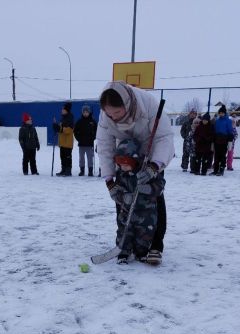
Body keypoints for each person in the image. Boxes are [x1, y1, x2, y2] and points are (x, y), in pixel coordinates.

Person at [96, 81, 174, 266]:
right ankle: (125, 243)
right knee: (123, 199)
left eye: (117, 112)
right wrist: (110, 182)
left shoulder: (149, 105)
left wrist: (154, 166)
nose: (113, 117)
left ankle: (155, 245)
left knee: (154, 199)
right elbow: (105, 146)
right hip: (125, 156)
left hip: (150, 154)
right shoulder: (105, 115)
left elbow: (164, 137)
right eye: (109, 113)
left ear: (127, 104)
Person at [107, 139, 164, 264]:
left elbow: (160, 185)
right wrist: (123, 197)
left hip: (147, 212)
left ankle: (141, 252)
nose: (123, 167)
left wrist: (149, 189)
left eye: (126, 163)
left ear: (135, 160)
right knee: (124, 232)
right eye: (120, 164)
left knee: (144, 233)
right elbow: (117, 192)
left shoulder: (146, 172)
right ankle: (123, 252)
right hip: (127, 211)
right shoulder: (122, 174)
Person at [74, 105, 97, 176]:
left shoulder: (93, 121)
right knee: (81, 158)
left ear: (89, 112)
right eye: (84, 112)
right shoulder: (79, 121)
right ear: (82, 112)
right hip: (81, 144)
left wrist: (93, 138)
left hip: (90, 144)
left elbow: (96, 131)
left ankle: (90, 171)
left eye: (87, 112)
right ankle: (82, 170)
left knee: (90, 158)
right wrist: (78, 139)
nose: (85, 113)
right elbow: (75, 131)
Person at [52, 101, 74, 176]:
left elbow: (69, 130)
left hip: (67, 142)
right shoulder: (62, 118)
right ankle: (63, 170)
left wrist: (60, 129)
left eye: (63, 109)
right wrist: (56, 127)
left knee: (67, 157)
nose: (62, 110)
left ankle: (68, 171)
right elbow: (60, 129)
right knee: (62, 157)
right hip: (62, 142)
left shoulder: (70, 118)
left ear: (67, 110)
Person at [212, 105, 234, 176]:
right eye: (220, 113)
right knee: (216, 155)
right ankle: (215, 170)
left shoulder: (228, 121)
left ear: (224, 113)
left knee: (222, 155)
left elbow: (230, 131)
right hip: (217, 139)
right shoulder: (217, 121)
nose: (221, 114)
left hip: (224, 139)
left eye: (222, 113)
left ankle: (221, 170)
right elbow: (215, 130)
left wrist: (230, 139)